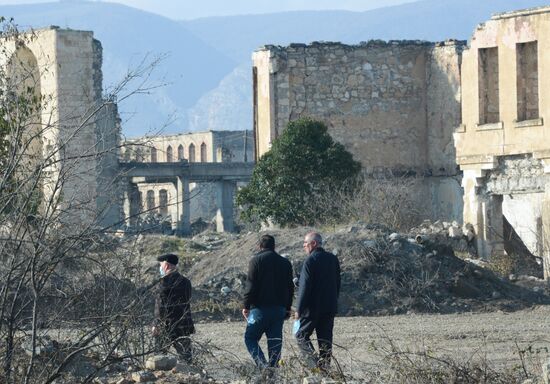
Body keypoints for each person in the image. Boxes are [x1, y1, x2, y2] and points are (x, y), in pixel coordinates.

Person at [242, 234, 294, 368]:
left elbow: (251, 285)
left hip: (259, 309)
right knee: (275, 343)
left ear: (259, 246)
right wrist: (288, 307)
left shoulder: (256, 261)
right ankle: (273, 372)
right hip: (278, 310)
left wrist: (246, 305)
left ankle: (262, 365)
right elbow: (290, 287)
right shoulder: (285, 263)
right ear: (274, 246)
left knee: (250, 338)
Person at [295, 232, 341, 371]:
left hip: (312, 309)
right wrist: (334, 300)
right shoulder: (333, 259)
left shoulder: (310, 260)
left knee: (301, 336)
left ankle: (316, 367)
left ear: (313, 244)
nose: (304, 246)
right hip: (329, 307)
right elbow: (337, 283)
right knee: (325, 341)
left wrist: (299, 309)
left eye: (305, 243)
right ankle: (325, 369)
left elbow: (305, 287)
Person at [152, 253, 195, 362]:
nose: (160, 268)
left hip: (165, 326)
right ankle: (191, 377)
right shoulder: (186, 282)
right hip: (183, 325)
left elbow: (160, 307)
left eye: (160, 265)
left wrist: (156, 324)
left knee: (158, 358)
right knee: (186, 358)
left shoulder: (162, 283)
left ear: (166, 266)